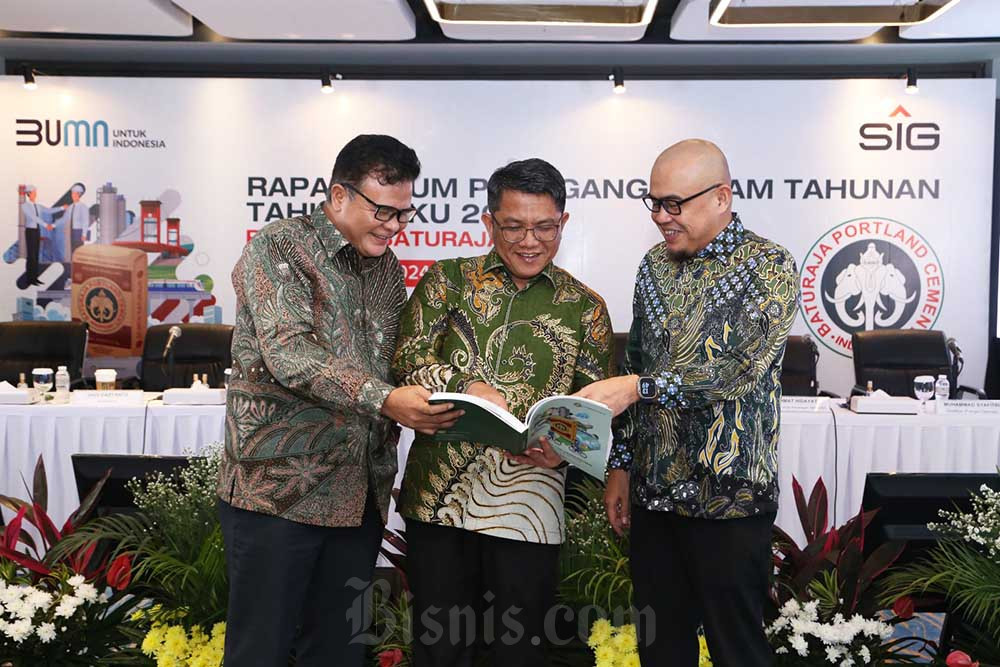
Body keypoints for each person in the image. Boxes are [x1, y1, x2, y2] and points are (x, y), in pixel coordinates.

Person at [216, 134, 462, 667]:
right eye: (382, 211)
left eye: (403, 213)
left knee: (339, 654)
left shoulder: (387, 270)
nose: (394, 226)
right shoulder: (281, 246)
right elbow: (290, 354)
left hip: (357, 498)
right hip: (277, 495)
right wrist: (386, 399)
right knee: (260, 652)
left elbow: (399, 360)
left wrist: (458, 389)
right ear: (338, 195)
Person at [576, 139, 799, 667]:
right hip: (654, 496)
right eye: (654, 202)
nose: (660, 216)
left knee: (738, 650)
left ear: (721, 197)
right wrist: (621, 466)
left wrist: (640, 387)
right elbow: (637, 360)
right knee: (660, 648)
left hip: (730, 496)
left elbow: (736, 372)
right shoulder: (653, 266)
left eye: (674, 203)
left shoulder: (769, 266)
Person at [393, 158, 613, 667]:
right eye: (513, 226)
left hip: (530, 506)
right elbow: (407, 359)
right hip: (440, 501)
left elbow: (593, 407)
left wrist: (564, 448)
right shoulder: (447, 281)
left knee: (519, 651)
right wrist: (464, 385)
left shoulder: (585, 307)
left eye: (545, 227)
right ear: (489, 222)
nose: (529, 241)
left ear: (564, 222)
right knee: (441, 647)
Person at [20, 185, 57, 285]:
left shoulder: (37, 206)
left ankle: (35, 278)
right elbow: (34, 218)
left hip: (37, 231)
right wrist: (46, 225)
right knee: (31, 256)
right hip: (30, 231)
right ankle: (30, 279)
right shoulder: (25, 206)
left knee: (36, 255)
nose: (35, 193)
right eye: (34, 192)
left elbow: (48, 210)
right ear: (29, 193)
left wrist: (62, 208)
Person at [64, 184, 90, 252]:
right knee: (71, 251)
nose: (73, 195)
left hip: (78, 232)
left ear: (79, 195)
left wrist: (84, 234)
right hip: (70, 232)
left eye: (75, 194)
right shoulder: (70, 207)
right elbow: (66, 219)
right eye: (72, 193)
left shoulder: (83, 207)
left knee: (78, 251)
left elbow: (85, 222)